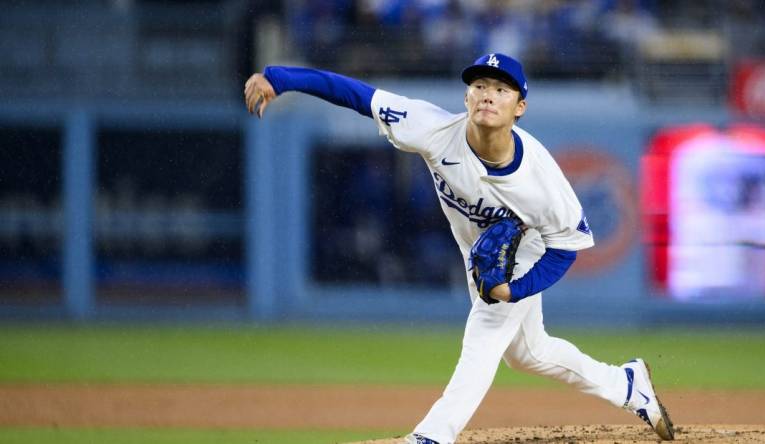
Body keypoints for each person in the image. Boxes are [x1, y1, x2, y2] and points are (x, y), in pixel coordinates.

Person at [244, 52, 675, 444]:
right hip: (479, 257)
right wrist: (280, 78)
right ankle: (625, 384)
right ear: (467, 96)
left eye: (501, 89)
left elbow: (564, 250)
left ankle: (433, 435)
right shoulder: (432, 128)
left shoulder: (541, 180)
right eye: (480, 86)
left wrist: (514, 290)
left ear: (519, 107)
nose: (488, 95)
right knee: (528, 354)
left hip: (521, 257)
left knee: (485, 336)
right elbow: (356, 95)